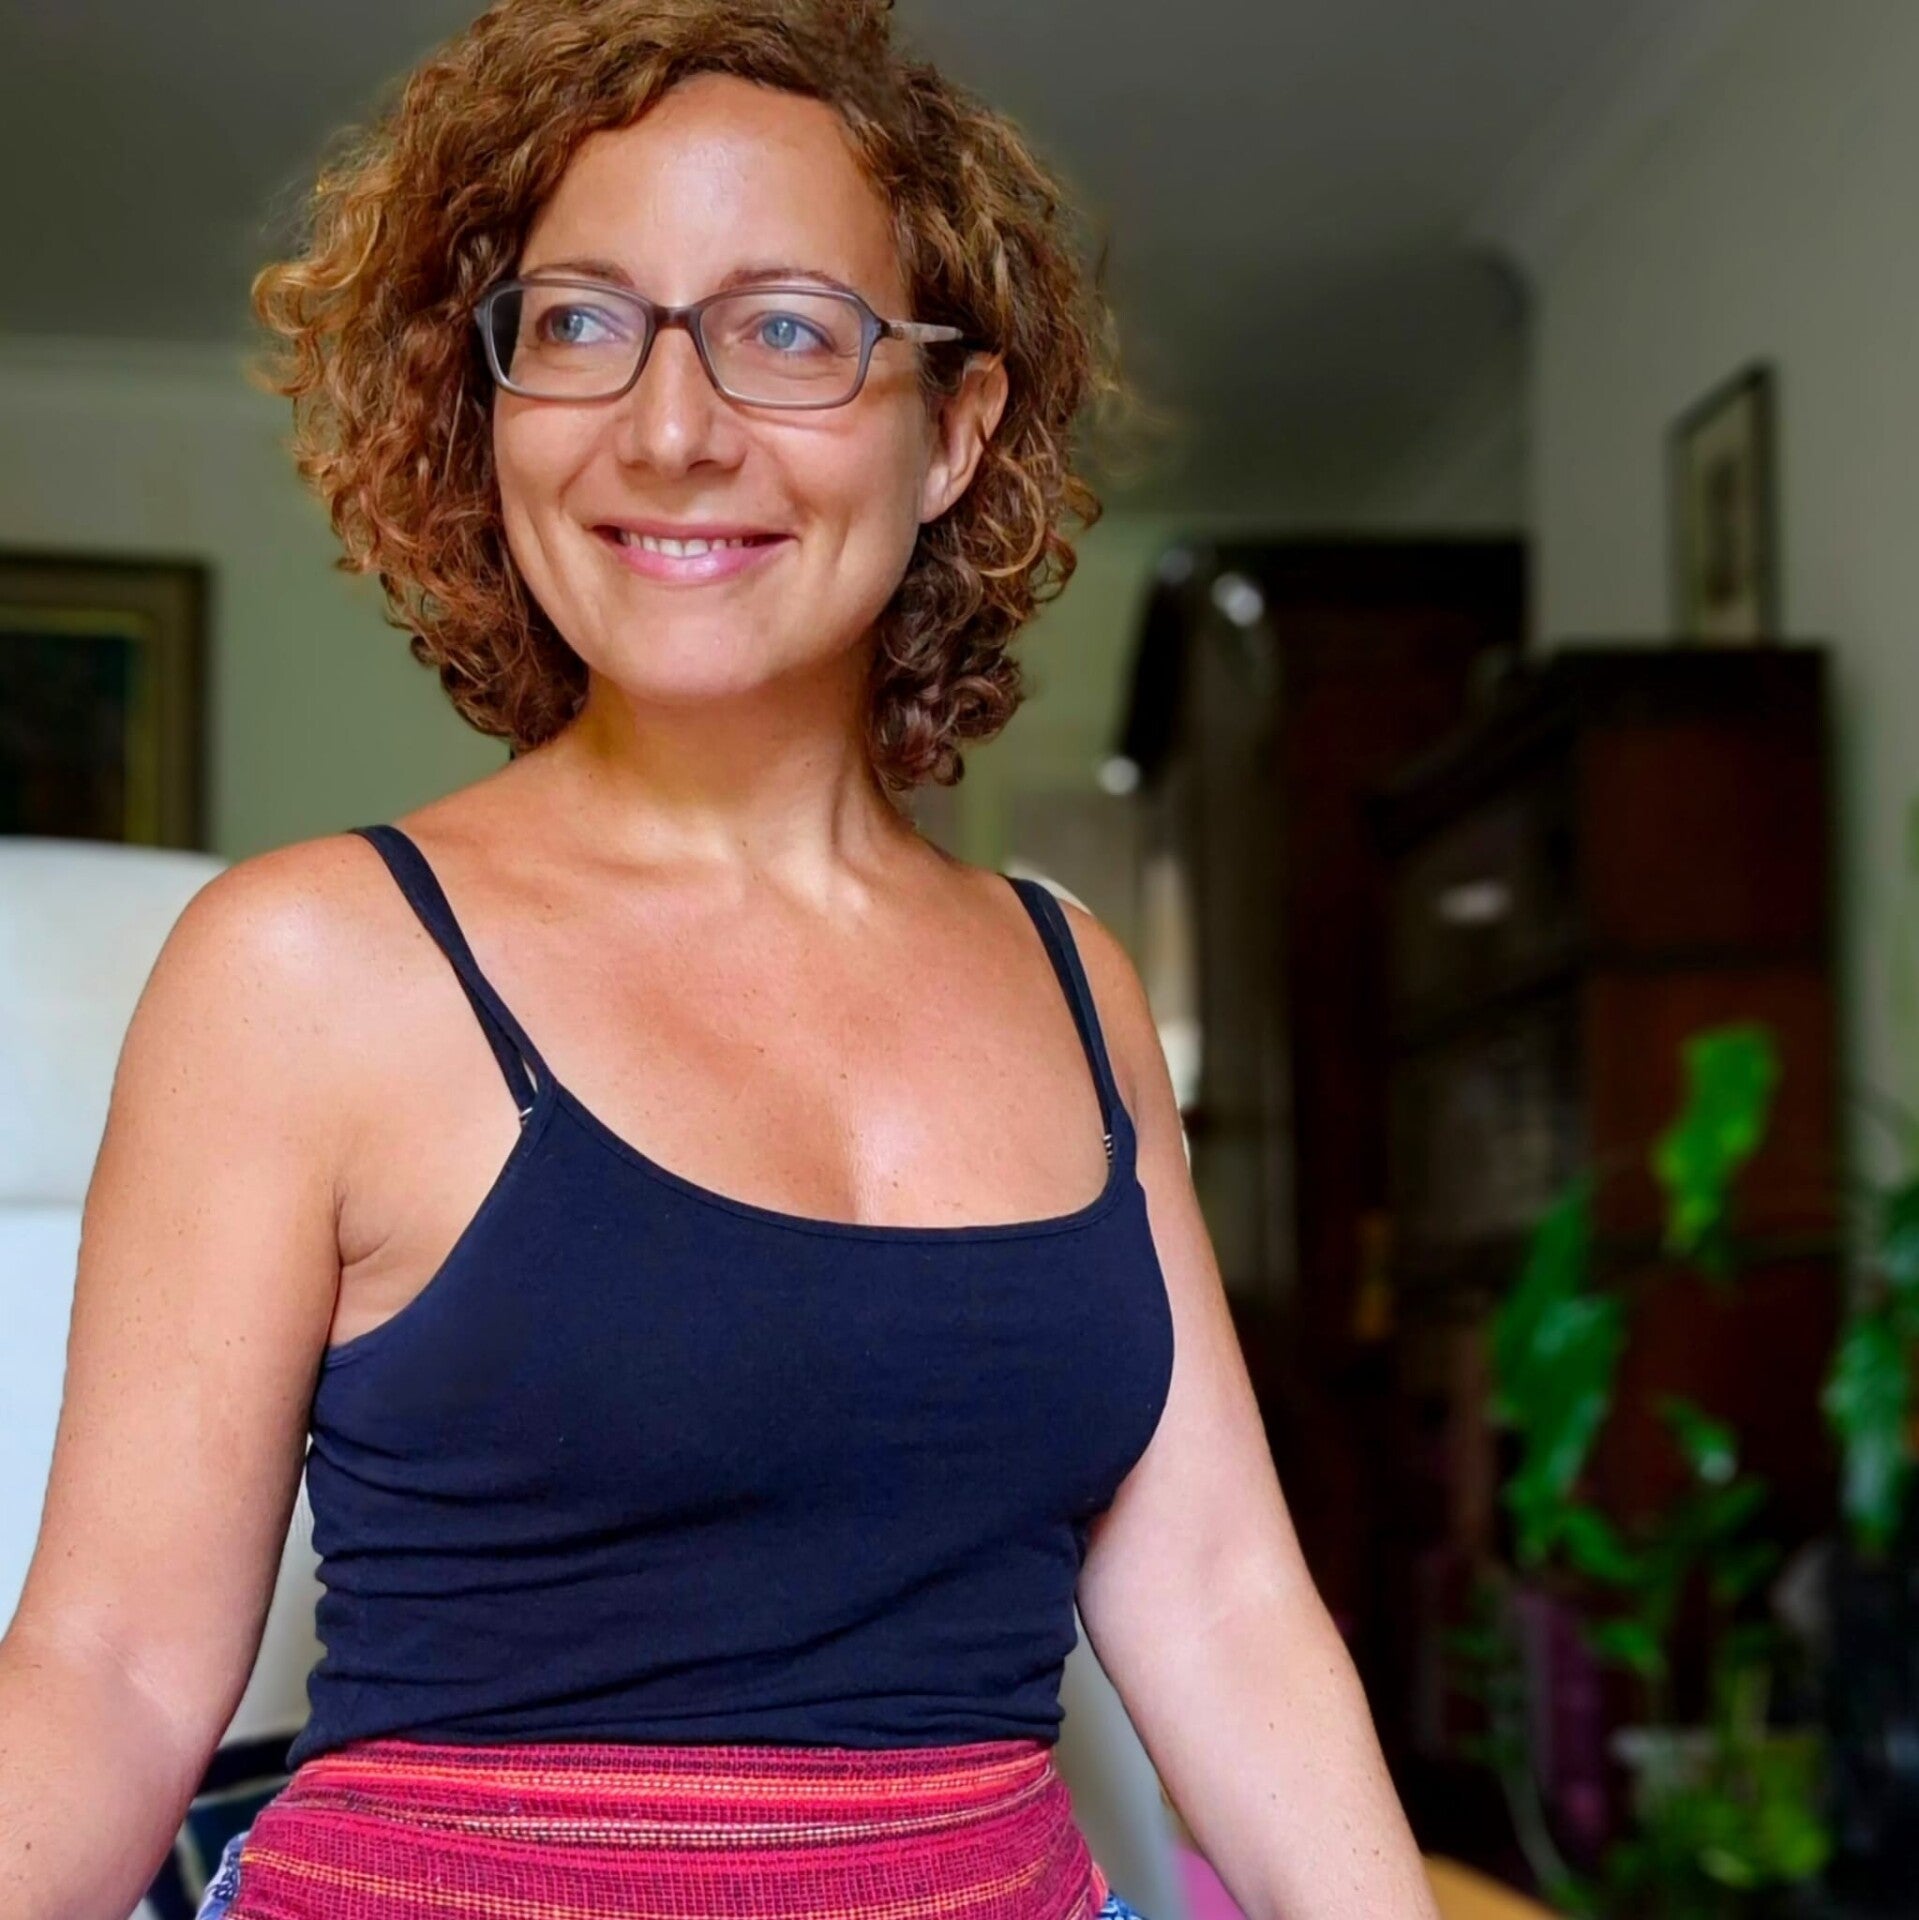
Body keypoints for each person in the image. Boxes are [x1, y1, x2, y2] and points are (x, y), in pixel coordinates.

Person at [0, 3, 1442, 1916]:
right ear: (487, 403)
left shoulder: (1071, 977)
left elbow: (1224, 1601)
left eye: (787, 331)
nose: (671, 431)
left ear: (953, 431)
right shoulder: (307, 966)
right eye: (580, 323)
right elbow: (109, 1674)